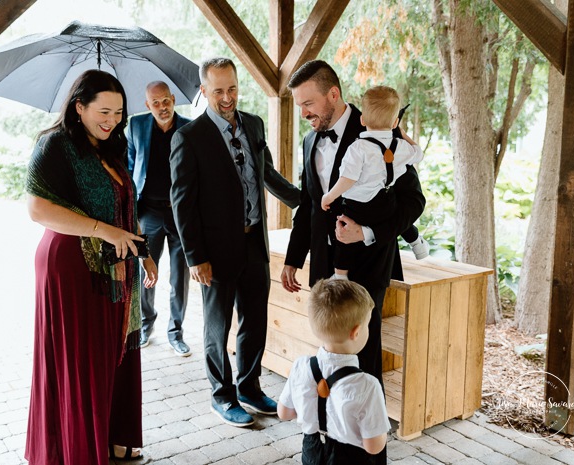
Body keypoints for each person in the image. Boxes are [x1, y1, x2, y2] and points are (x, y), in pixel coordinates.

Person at [280, 60, 425, 463]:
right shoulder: (312, 142)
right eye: (299, 106)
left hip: (368, 271)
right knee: (329, 356)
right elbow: (309, 204)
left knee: (364, 362)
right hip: (325, 270)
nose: (304, 113)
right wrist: (295, 259)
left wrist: (367, 233)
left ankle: (368, 454)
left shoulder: (381, 134)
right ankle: (324, 446)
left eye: (309, 103)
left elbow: (414, 201)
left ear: (334, 95)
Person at [25, 69, 158, 464]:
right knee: (81, 361)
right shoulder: (54, 146)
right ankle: (78, 448)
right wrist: (103, 232)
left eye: (118, 112)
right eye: (103, 110)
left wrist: (143, 251)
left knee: (111, 353)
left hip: (116, 269)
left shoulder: (111, 147)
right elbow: (37, 209)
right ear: (78, 107)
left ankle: (110, 436)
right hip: (70, 267)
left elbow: (124, 208)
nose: (112, 119)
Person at [170, 57, 301, 427]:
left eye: (232, 88)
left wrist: (304, 202)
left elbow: (267, 174)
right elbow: (183, 203)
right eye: (218, 91)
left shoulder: (255, 124)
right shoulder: (189, 137)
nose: (227, 98)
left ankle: (249, 387)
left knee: (254, 321)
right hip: (213, 252)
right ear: (203, 91)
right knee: (217, 327)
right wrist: (195, 258)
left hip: (254, 244)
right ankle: (222, 396)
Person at [278, 279, 390, 465]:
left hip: (312, 450)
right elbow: (374, 446)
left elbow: (284, 413)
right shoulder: (367, 385)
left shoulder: (300, 366)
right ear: (356, 332)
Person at [321, 85, 425, 280]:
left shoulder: (358, 148)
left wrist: (329, 196)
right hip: (383, 202)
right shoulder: (400, 147)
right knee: (392, 210)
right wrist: (402, 135)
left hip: (358, 206)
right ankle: (417, 243)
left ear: (362, 120)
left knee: (344, 233)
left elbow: (348, 179)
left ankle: (340, 276)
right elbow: (418, 153)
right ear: (395, 122)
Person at [127, 81, 192, 356]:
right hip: (148, 212)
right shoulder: (135, 126)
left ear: (173, 99)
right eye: (156, 103)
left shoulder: (189, 128)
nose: (162, 107)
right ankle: (145, 325)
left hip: (180, 214)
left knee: (180, 277)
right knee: (146, 273)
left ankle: (176, 333)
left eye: (166, 101)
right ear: (147, 105)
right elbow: (129, 169)